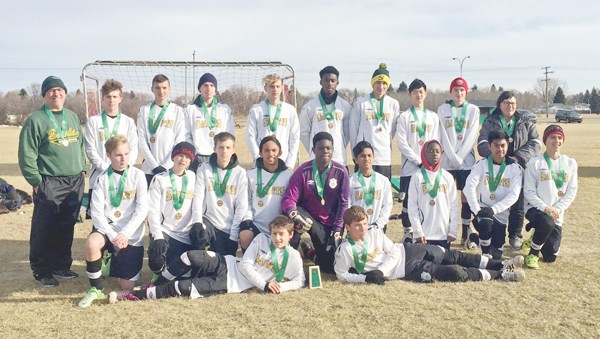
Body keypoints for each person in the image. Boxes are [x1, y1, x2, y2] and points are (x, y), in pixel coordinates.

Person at [109, 215, 305, 302]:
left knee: (182, 288)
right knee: (190, 256)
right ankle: (153, 286)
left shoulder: (293, 256)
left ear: (289, 235)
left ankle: (131, 296)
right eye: (274, 233)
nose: (277, 238)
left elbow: (300, 281)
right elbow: (245, 264)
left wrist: (280, 287)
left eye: (281, 234)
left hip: (228, 284)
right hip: (226, 263)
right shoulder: (261, 239)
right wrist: (264, 284)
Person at [334, 206, 525, 285]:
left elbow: (392, 251)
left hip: (408, 251)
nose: (363, 228)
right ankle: (501, 275)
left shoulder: (375, 232)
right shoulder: (345, 250)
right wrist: (365, 279)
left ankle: (500, 263)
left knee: (452, 255)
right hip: (409, 269)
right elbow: (341, 275)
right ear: (348, 227)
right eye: (358, 225)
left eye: (365, 223)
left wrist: (381, 272)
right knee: (457, 273)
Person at [18, 75, 86, 286]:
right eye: (51, 91)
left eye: (60, 90)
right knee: (45, 226)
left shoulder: (73, 117)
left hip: (74, 180)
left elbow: (80, 145)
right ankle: (41, 269)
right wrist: (36, 181)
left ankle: (61, 265)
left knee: (67, 225)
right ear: (45, 95)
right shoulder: (36, 120)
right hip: (50, 181)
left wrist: (82, 169)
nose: (56, 94)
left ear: (65, 93)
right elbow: (27, 154)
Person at [78, 135, 148, 308]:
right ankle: (96, 289)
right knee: (92, 243)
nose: (123, 158)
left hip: (130, 234)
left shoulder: (138, 176)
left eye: (126, 153)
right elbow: (97, 213)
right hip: (108, 231)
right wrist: (112, 235)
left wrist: (125, 233)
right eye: (118, 155)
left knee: (126, 286)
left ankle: (110, 262)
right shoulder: (101, 179)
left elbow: (142, 210)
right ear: (108, 155)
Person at [477, 91, 542, 249]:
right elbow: (482, 142)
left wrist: (518, 157)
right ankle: (495, 233)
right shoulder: (490, 121)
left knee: (518, 204)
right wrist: (497, 158)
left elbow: (536, 143)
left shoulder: (525, 121)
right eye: (506, 103)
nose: (510, 106)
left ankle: (515, 235)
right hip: (497, 168)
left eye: (513, 103)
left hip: (518, 167)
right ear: (500, 105)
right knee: (497, 200)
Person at [281, 131, 349, 273]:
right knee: (295, 217)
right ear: (313, 150)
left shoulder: (341, 171)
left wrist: (337, 230)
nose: (325, 151)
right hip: (309, 219)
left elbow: (343, 204)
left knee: (330, 267)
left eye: (328, 148)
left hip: (330, 223)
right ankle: (287, 259)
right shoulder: (303, 171)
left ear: (333, 149)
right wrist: (294, 214)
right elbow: (288, 199)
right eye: (320, 148)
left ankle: (310, 252)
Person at [523, 125, 578, 269]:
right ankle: (533, 254)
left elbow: (571, 191)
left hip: (556, 213)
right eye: (552, 137)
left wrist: (557, 209)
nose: (557, 141)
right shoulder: (535, 163)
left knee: (550, 257)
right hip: (535, 209)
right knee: (546, 222)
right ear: (545, 140)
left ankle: (537, 234)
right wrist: (545, 208)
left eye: (560, 138)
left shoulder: (570, 163)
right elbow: (529, 192)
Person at [396, 79, 443, 242]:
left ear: (426, 93)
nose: (418, 95)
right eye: (415, 92)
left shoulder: (433, 116)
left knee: (426, 198)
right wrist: (418, 160)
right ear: (410, 94)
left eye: (421, 91)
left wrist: (428, 162)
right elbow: (402, 143)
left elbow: (436, 141)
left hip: (428, 168)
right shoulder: (404, 117)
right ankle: (408, 232)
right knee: (408, 201)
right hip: (410, 166)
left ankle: (426, 230)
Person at [84, 79, 138, 219]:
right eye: (108, 97)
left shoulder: (128, 122)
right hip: (100, 177)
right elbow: (90, 150)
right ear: (102, 99)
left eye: (115, 96)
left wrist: (122, 169)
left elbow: (133, 148)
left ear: (120, 98)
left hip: (123, 179)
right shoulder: (93, 122)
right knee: (99, 220)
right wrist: (108, 169)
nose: (111, 100)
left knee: (123, 217)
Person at [436, 77, 480, 249]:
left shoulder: (473, 110)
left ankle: (466, 233)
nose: (459, 93)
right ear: (451, 92)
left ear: (466, 92)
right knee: (445, 197)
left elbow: (472, 135)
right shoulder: (443, 109)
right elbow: (442, 135)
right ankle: (445, 231)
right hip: (447, 160)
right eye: (456, 90)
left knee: (466, 196)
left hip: (466, 161)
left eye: (462, 90)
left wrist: (460, 157)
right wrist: (453, 156)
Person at [464, 131, 523, 259]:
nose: (499, 149)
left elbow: (514, 195)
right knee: (485, 224)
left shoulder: (514, 168)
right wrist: (477, 210)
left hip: (500, 214)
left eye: (503, 145)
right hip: (482, 210)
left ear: (507, 146)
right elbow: (468, 187)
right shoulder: (481, 164)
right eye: (496, 145)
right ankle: (485, 256)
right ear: (490, 146)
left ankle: (474, 237)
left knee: (497, 254)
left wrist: (494, 209)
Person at [190, 132, 248, 256]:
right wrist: (197, 222)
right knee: (197, 236)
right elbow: (198, 197)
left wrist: (233, 236)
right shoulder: (204, 168)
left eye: (228, 148)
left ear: (234, 150)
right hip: (209, 221)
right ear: (214, 149)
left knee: (222, 268)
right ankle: (196, 270)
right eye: (221, 147)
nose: (224, 151)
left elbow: (241, 206)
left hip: (228, 227)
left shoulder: (240, 173)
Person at [147, 142, 197, 279]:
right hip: (166, 231)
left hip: (185, 234)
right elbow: (152, 211)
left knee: (182, 275)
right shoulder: (160, 179)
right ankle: (157, 272)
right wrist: (157, 236)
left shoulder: (194, 178)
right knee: (157, 260)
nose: (183, 160)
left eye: (187, 157)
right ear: (173, 157)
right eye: (180, 155)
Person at [240, 136, 292, 252]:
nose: (270, 154)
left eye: (274, 150)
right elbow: (246, 201)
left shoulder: (288, 175)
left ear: (280, 152)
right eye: (266, 150)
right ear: (260, 153)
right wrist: (248, 219)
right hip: (256, 225)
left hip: (279, 225)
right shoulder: (250, 175)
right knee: (245, 236)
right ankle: (248, 262)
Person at [349, 63, 400, 180]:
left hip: (383, 157)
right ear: (372, 84)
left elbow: (392, 130)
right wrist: (354, 154)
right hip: (363, 156)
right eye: (377, 83)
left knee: (381, 191)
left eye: (384, 83)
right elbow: (353, 129)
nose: (381, 86)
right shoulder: (361, 102)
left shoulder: (393, 104)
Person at [407, 140, 458, 249]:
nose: (434, 154)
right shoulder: (417, 177)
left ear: (441, 154)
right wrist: (418, 232)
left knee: (443, 265)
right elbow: (412, 207)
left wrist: (453, 231)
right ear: (424, 154)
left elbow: (454, 206)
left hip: (443, 235)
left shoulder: (447, 177)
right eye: (430, 151)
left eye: (437, 151)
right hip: (424, 235)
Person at [137, 74, 186, 186]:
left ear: (169, 89)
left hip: (171, 168)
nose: (161, 91)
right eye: (157, 88)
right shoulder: (144, 111)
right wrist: (155, 166)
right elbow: (141, 141)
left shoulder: (177, 111)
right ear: (152, 89)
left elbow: (179, 141)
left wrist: (166, 165)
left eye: (164, 88)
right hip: (149, 169)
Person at [299, 66, 351, 166]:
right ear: (321, 82)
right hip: (316, 159)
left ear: (337, 82)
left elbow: (347, 133)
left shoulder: (345, 106)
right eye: (326, 80)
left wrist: (340, 145)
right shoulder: (310, 106)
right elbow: (304, 132)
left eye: (333, 80)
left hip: (339, 159)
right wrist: (315, 149)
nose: (330, 83)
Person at [246, 74, 300, 169]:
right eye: (271, 86)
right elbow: (250, 137)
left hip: (283, 162)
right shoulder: (256, 109)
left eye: (277, 86)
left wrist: (290, 164)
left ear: (281, 88)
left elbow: (294, 139)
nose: (275, 89)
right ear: (265, 88)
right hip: (261, 163)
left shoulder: (290, 110)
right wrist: (259, 158)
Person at [184, 73, 235, 172]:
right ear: (200, 88)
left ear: (215, 89)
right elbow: (186, 134)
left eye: (212, 85)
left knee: (217, 187)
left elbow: (230, 133)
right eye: (205, 85)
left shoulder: (224, 109)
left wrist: (225, 152)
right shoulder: (190, 109)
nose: (209, 88)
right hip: (197, 158)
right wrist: (193, 153)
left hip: (219, 156)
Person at [348, 141, 393, 232]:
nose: (366, 159)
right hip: (357, 229)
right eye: (362, 156)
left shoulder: (383, 181)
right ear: (356, 159)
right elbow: (348, 206)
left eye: (369, 155)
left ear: (373, 157)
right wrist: (357, 224)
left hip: (378, 228)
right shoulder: (350, 181)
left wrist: (379, 224)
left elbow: (387, 205)